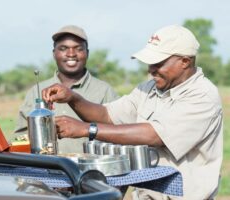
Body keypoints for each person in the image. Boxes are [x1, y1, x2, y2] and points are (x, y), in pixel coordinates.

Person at [42, 25, 223, 199]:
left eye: (158, 63)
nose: (151, 70)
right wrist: (73, 98)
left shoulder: (202, 95)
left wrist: (87, 129)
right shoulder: (149, 88)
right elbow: (107, 115)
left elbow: (155, 135)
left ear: (185, 61)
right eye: (149, 63)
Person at [14, 25, 118, 153]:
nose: (71, 54)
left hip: (90, 169)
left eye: (78, 49)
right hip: (45, 169)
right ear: (54, 54)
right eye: (63, 49)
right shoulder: (36, 91)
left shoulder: (104, 90)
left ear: (87, 53)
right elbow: (19, 138)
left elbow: (118, 134)